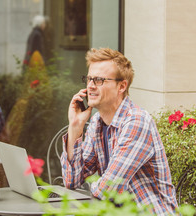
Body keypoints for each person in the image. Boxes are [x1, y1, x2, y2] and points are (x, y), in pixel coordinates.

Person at [61, 48, 178, 215]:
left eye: (99, 80)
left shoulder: (137, 122)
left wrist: (94, 185)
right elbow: (72, 180)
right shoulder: (97, 123)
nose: (91, 86)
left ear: (122, 86)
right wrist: (75, 127)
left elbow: (109, 187)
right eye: (89, 79)